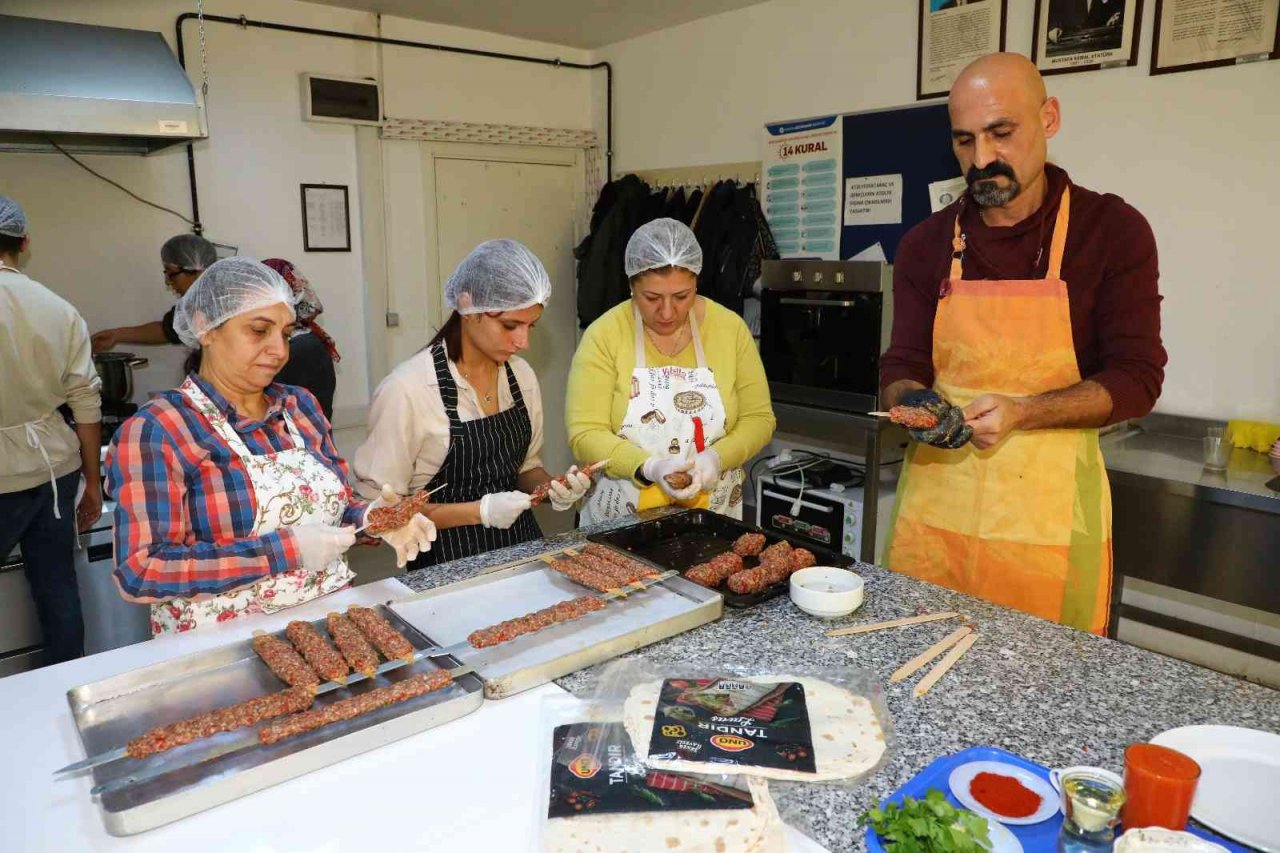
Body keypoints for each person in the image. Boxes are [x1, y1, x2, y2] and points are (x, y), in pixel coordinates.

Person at [880, 53, 1165, 635]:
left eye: (1001, 132)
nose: (981, 159)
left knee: (1039, 673)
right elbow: (902, 364)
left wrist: (1025, 411)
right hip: (938, 514)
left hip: (1050, 523)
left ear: (1049, 118)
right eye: (964, 141)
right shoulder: (925, 244)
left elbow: (1137, 377)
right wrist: (914, 402)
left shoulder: (1111, 231)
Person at [106, 257, 434, 635]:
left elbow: (336, 509)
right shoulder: (159, 429)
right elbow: (142, 570)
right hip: (219, 644)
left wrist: (374, 519)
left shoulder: (299, 406)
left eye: (286, 334)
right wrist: (286, 551)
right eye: (259, 330)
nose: (279, 350)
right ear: (205, 327)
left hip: (331, 627)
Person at [353, 240, 590, 566]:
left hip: (524, 549)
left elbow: (526, 468)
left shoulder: (521, 376)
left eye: (530, 325)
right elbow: (382, 513)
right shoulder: (408, 390)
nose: (523, 342)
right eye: (510, 325)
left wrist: (552, 489)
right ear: (468, 305)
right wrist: (480, 512)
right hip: (447, 561)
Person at [567, 218, 776, 523]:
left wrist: (717, 458)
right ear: (631, 285)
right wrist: (649, 467)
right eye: (651, 298)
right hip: (618, 520)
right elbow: (585, 432)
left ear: (697, 282)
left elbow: (759, 418)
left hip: (711, 517)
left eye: (681, 296)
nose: (667, 312)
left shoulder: (729, 329)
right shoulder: (605, 335)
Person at [0, 196, 103, 664]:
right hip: (55, 473)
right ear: (24, 243)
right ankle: (63, 683)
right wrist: (93, 483)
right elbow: (86, 403)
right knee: (57, 586)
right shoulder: (58, 309)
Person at [91, 233, 218, 353]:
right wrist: (116, 335)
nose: (168, 282)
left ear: (196, 270)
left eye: (171, 274)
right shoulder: (196, 304)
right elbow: (168, 330)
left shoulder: (222, 304)